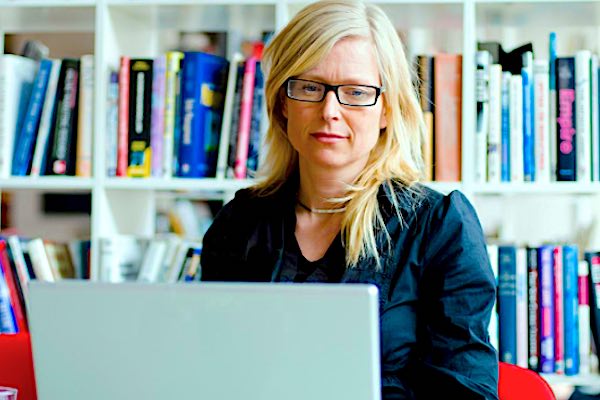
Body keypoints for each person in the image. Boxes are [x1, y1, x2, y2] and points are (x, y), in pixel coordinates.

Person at [201, 0, 498, 398]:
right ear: (283, 102)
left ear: (387, 109)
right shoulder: (239, 224)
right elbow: (212, 368)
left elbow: (467, 391)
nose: (330, 111)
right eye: (310, 87)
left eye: (356, 92)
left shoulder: (439, 226)